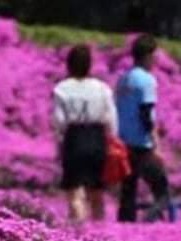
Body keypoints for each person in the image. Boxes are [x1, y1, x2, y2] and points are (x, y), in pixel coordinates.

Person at [52, 45, 118, 222]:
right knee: (97, 192)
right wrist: (111, 140)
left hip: (74, 138)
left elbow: (59, 122)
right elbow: (111, 118)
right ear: (90, 65)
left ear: (69, 65)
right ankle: (99, 232)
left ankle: (79, 231)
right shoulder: (102, 88)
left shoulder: (62, 88)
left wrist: (59, 144)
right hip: (97, 138)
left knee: (75, 192)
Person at [116, 34, 171, 223]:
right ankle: (147, 223)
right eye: (155, 54)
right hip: (142, 144)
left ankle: (125, 230)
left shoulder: (124, 79)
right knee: (163, 193)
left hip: (124, 143)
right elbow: (146, 114)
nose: (157, 58)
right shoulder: (147, 80)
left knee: (128, 193)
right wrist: (156, 144)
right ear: (148, 55)